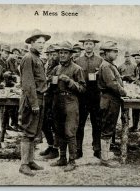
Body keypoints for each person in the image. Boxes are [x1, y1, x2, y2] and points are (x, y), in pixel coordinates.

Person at [49, 41, 86, 172]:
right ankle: (62, 158)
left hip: (71, 101)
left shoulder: (77, 69)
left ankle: (72, 161)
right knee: (59, 131)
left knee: (70, 131)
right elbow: (50, 83)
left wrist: (69, 81)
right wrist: (51, 82)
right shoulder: (56, 68)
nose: (62, 55)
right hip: (57, 100)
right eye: (60, 53)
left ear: (70, 55)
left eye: (65, 53)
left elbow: (82, 89)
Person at [18, 29, 50, 176]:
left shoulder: (37, 58)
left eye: (43, 43)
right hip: (33, 99)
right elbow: (28, 83)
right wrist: (34, 103)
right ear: (31, 42)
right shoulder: (28, 58)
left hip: (40, 97)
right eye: (39, 42)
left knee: (34, 131)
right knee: (28, 130)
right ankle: (23, 164)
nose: (42, 45)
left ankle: (30, 160)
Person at [98, 41, 127, 167]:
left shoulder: (109, 65)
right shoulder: (106, 66)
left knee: (109, 127)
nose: (116, 53)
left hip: (112, 99)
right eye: (113, 51)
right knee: (107, 128)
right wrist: (124, 91)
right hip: (109, 100)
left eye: (116, 51)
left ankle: (106, 154)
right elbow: (112, 84)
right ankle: (105, 159)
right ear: (106, 53)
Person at [75, 33, 103, 159]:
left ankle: (97, 148)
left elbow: (104, 78)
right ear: (83, 46)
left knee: (96, 122)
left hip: (96, 96)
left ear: (94, 46)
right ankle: (78, 149)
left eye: (91, 44)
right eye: (86, 44)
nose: (88, 46)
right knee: (79, 123)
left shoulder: (100, 61)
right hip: (82, 96)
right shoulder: (77, 61)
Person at [40, 44, 60, 159]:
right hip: (46, 97)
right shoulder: (47, 64)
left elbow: (54, 82)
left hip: (55, 97)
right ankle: (50, 145)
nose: (52, 57)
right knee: (44, 122)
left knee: (55, 123)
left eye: (54, 54)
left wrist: (48, 80)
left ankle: (56, 149)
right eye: (50, 54)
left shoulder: (59, 66)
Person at [129, 51, 140, 132]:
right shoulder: (136, 67)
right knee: (134, 107)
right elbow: (136, 77)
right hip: (137, 89)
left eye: (138, 58)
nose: (136, 59)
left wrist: (139, 82)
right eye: (135, 58)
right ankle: (135, 126)